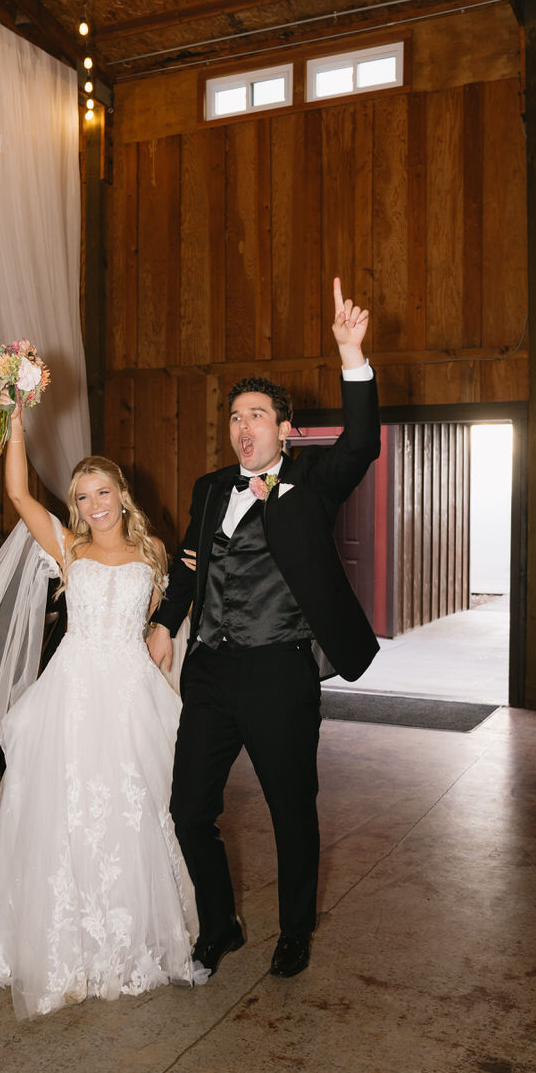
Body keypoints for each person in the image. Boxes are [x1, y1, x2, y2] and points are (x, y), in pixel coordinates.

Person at [0, 408, 206, 1019]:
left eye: (102, 491)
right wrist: (15, 418)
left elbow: (172, 610)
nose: (93, 504)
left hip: (129, 693)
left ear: (122, 495)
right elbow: (17, 491)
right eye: (81, 495)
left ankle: (127, 941)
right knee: (63, 808)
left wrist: (163, 631)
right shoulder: (68, 547)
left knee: (134, 805)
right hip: (72, 691)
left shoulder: (154, 552)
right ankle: (58, 942)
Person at [147, 278, 380, 982]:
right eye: (233, 416)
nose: (242, 425)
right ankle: (221, 924)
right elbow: (190, 566)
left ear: (284, 429)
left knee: (290, 812)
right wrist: (164, 622)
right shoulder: (209, 487)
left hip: (280, 670)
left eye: (257, 414)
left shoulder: (309, 485)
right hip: (211, 672)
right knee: (189, 810)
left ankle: (295, 931)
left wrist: (351, 356)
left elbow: (362, 443)